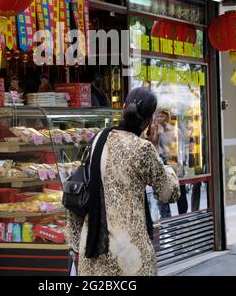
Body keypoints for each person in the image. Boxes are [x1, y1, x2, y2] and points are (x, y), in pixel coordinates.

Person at [67, 87, 180, 276]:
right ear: (149, 121)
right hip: (129, 257)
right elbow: (169, 192)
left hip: (93, 251)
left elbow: (78, 191)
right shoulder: (143, 149)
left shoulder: (98, 140)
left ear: (124, 109)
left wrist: (75, 243)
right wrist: (159, 152)